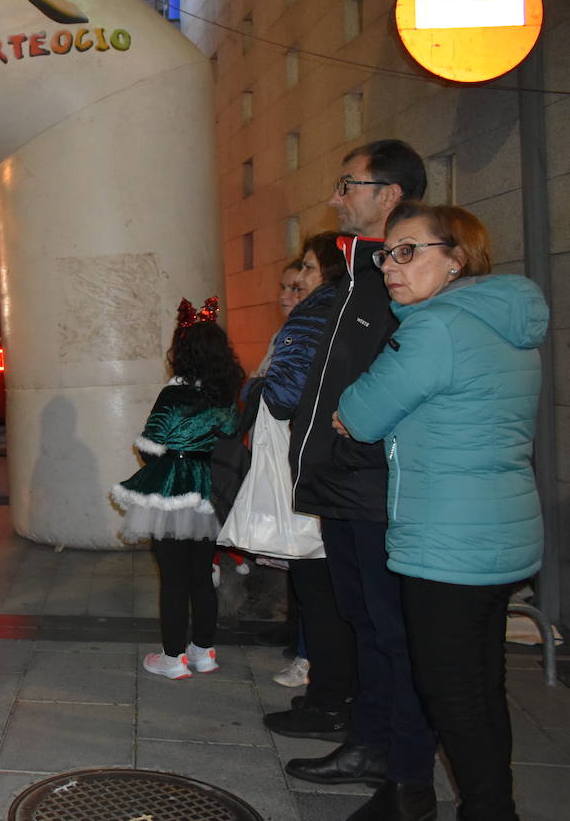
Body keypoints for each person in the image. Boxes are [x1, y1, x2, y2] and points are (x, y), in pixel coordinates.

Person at [335, 204, 546, 821]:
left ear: (457, 258)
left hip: (447, 538)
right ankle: (490, 805)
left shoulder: (437, 328)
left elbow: (359, 414)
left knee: (451, 693)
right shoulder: (502, 322)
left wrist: (358, 409)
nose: (389, 267)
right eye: (386, 254)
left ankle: (488, 811)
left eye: (409, 251)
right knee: (480, 687)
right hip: (499, 528)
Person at [279, 140, 438, 821]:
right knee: (363, 622)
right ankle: (369, 744)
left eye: (349, 184)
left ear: (390, 194)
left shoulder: (401, 283)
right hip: (338, 484)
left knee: (393, 632)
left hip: (377, 488)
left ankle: (406, 769)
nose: (336, 196)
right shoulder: (351, 276)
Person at [112, 301, 244, 679]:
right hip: (206, 489)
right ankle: (204, 651)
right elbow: (231, 433)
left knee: (172, 577)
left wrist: (167, 455)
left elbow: (150, 444)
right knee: (201, 575)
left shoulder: (173, 395)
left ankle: (173, 658)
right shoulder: (223, 397)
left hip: (171, 486)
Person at [251, 233, 351, 696]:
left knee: (317, 576)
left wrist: (254, 390)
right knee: (324, 577)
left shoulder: (316, 316)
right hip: (339, 463)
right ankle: (319, 666)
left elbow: (280, 392)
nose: (294, 289)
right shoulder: (349, 310)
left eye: (307, 271)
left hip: (319, 463)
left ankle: (324, 686)